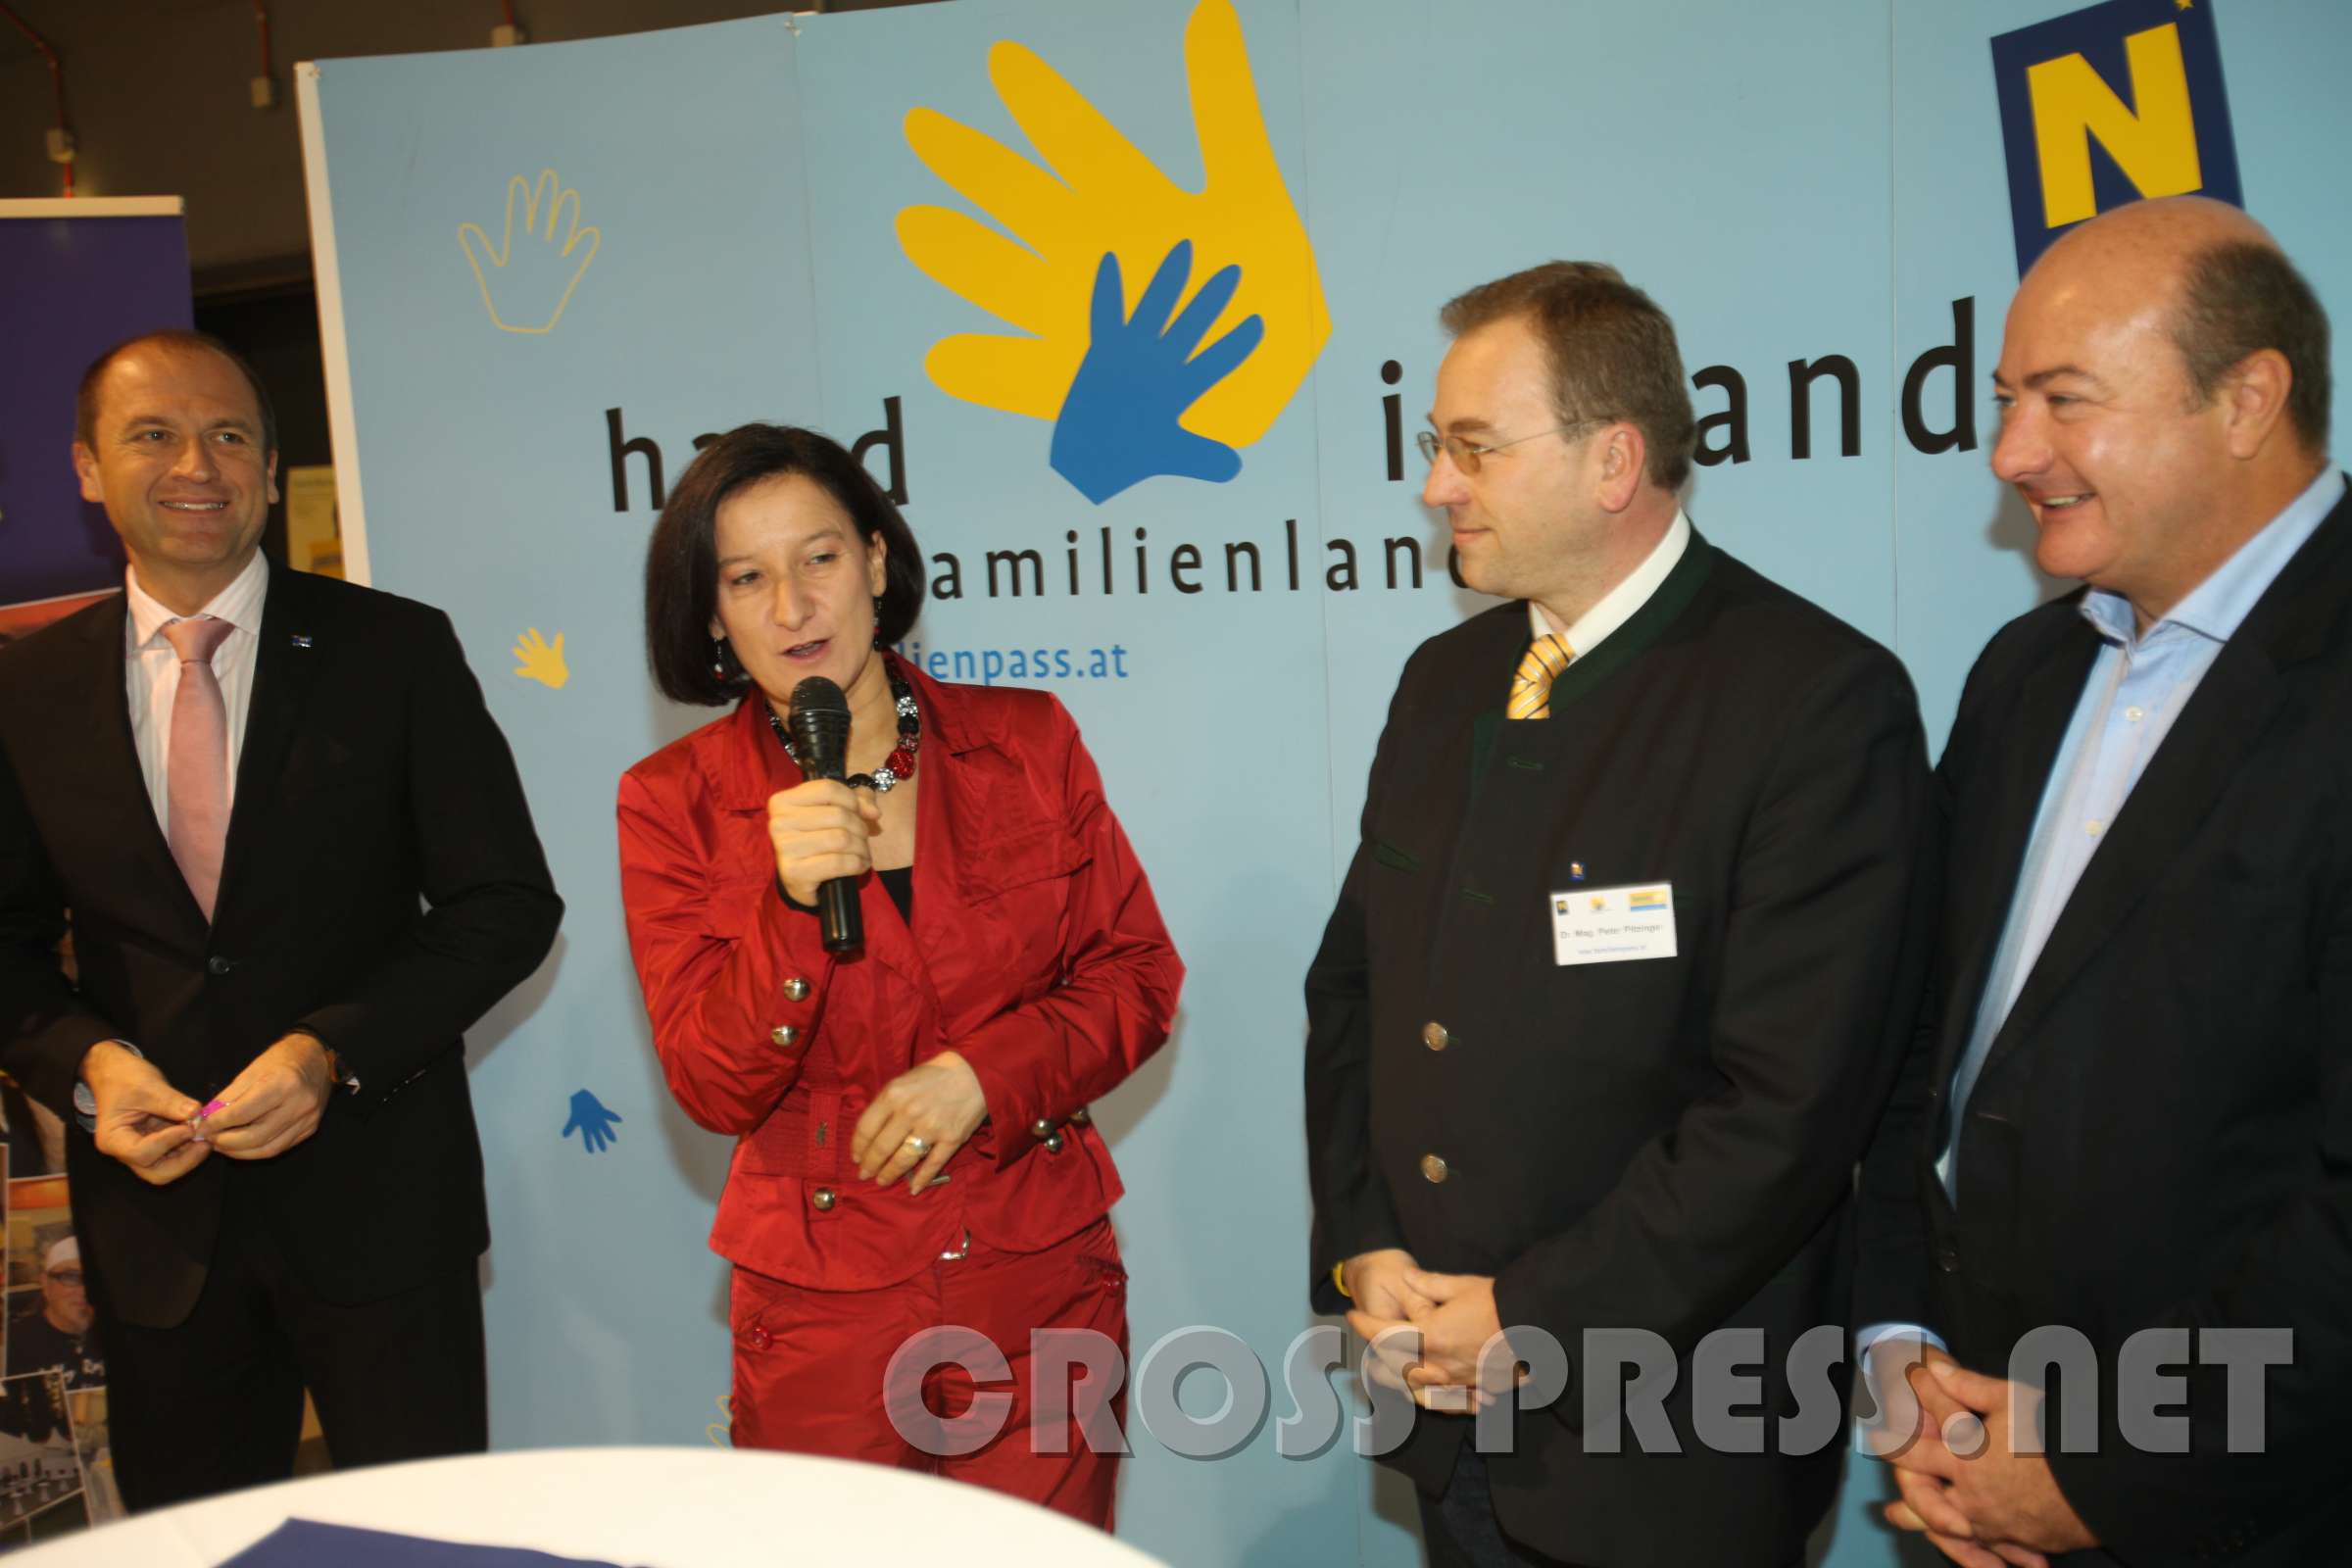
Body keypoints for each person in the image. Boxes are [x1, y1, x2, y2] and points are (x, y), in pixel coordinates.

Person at [1304, 263, 1935, 1566]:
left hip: (1665, 1444)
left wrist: (1533, 1316)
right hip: (1439, 1405)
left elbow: (1787, 1113)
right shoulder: (1445, 683)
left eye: (1475, 446)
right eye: (1435, 446)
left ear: (1613, 461)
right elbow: (1356, 993)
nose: (1436, 485)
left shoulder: (1813, 702)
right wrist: (1365, 1243)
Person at [1856, 197, 2351, 1567]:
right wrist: (1902, 1351)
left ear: (2248, 399)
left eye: (2065, 400)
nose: (2013, 452)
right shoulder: (2024, 676)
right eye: (2008, 400)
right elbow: (1916, 1048)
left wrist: (2108, 1469)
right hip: (1969, 1466)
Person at [0, 329, 563, 1509]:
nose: (194, 464)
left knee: (425, 1539)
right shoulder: (25, 691)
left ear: (267, 467)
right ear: (88, 467)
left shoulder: (394, 649)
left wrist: (329, 1051)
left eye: (228, 435)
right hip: (157, 1236)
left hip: (382, 1212)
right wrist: (91, 1068)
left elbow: (505, 902)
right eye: (152, 435)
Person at [618, 423, 1181, 1527]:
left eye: (820, 557)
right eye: (747, 578)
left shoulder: (1026, 738)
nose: (794, 606)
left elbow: (1137, 973)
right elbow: (711, 1084)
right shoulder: (673, 800)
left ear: (877, 563)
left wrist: (984, 1074)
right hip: (824, 1305)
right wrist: (790, 910)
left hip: (1039, 1279)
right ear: (712, 613)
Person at [6, 1238, 102, 1390]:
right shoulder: (13, 1345)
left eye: (93, 1279)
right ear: (45, 1284)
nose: (83, 1291)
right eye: (70, 1277)